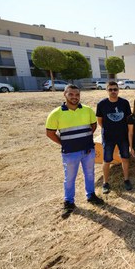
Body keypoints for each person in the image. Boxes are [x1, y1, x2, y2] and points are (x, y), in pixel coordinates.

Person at [46, 84, 104, 217]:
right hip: (70, 153)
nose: (74, 97)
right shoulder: (56, 114)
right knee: (69, 178)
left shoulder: (87, 110)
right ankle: (69, 202)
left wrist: (85, 140)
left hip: (88, 151)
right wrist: (64, 143)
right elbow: (50, 133)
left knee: (90, 174)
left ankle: (91, 195)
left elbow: (93, 126)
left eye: (77, 95)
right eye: (71, 94)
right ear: (65, 95)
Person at [96, 81, 132, 194]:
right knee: (106, 160)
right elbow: (100, 122)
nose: (113, 91)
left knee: (125, 158)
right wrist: (110, 129)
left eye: (115, 89)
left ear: (118, 90)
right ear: (106, 90)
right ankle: (105, 183)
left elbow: (128, 119)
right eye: (110, 89)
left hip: (123, 136)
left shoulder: (124, 103)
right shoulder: (101, 104)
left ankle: (126, 180)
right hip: (108, 137)